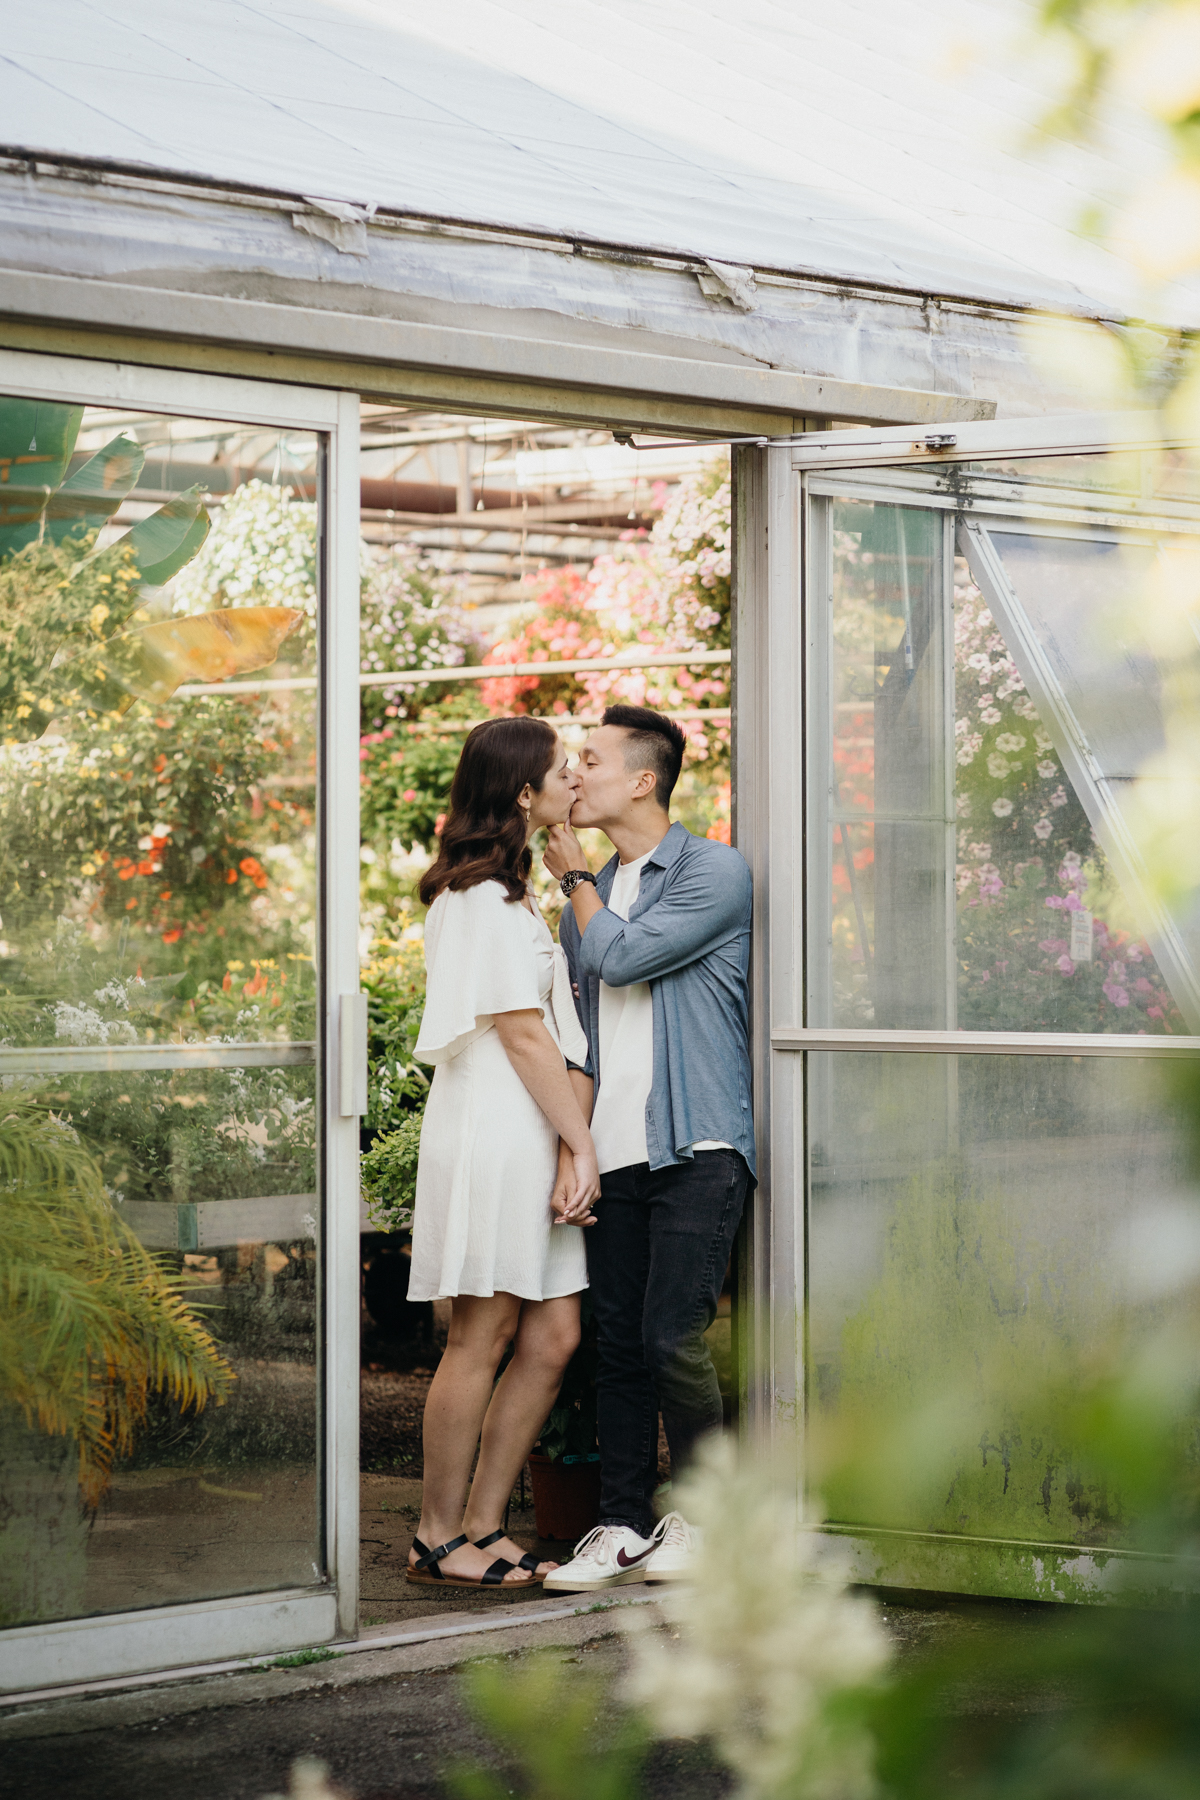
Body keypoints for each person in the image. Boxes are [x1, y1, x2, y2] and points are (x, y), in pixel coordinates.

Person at [541, 704, 754, 1593]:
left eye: (589, 759)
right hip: (616, 1150)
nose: (573, 773)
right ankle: (621, 1526)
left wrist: (574, 879)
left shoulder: (712, 871)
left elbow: (625, 960)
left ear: (642, 779)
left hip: (696, 1142)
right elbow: (584, 1042)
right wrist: (575, 1150)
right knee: (619, 1345)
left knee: (673, 1336)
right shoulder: (585, 900)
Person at [405, 717, 600, 1589]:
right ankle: (435, 1534)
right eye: (562, 770)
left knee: (553, 1334)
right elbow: (523, 1036)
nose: (575, 779)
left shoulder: (516, 895)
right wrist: (581, 1145)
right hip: (495, 1130)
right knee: (480, 1336)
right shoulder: (477, 899)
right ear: (523, 792)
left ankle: (484, 1523)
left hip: (535, 1129)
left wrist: (566, 1145)